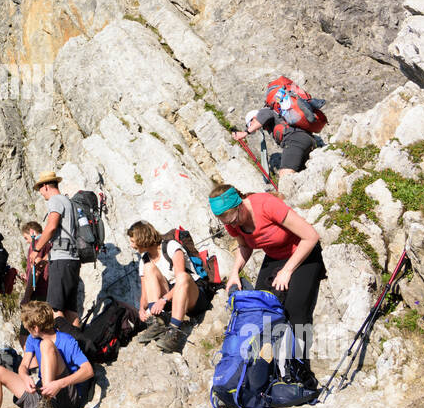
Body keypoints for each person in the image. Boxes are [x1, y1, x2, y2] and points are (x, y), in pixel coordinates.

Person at [209, 180, 325, 387]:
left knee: (295, 310)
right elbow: (245, 246)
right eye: (228, 223)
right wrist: (235, 272)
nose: (233, 225)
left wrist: (287, 271)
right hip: (274, 257)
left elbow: (311, 236)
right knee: (261, 311)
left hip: (303, 253)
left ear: (241, 203)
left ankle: (301, 372)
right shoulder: (232, 222)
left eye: (235, 219)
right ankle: (265, 372)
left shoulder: (266, 205)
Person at [127, 220, 203, 354]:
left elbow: (182, 279)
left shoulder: (171, 247)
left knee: (182, 277)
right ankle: (158, 322)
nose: (131, 245)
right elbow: (145, 292)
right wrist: (141, 310)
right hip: (170, 298)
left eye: (133, 241)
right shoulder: (144, 260)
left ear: (142, 238)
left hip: (191, 294)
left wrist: (163, 300)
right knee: (148, 268)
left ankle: (175, 332)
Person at [31, 171, 81, 326]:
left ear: (45, 186)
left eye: (40, 189)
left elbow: (51, 227)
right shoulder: (69, 202)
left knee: (55, 309)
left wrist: (37, 249)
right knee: (71, 311)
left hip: (61, 262)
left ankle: (66, 346)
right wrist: (46, 260)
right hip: (72, 260)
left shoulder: (55, 201)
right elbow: (65, 238)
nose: (41, 193)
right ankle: (79, 344)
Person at [234, 105, 317, 179]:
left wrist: (245, 133)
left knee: (285, 176)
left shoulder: (264, 111)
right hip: (307, 140)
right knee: (300, 176)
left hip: (294, 141)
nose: (256, 128)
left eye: (251, 125)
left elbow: (264, 117)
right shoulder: (275, 117)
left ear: (254, 118)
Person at [16, 220, 48, 306]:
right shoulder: (48, 242)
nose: (26, 241)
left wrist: (26, 297)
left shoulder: (36, 245)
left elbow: (35, 271)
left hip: (38, 290)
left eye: (26, 238)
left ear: (31, 232)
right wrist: (27, 277)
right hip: (48, 288)